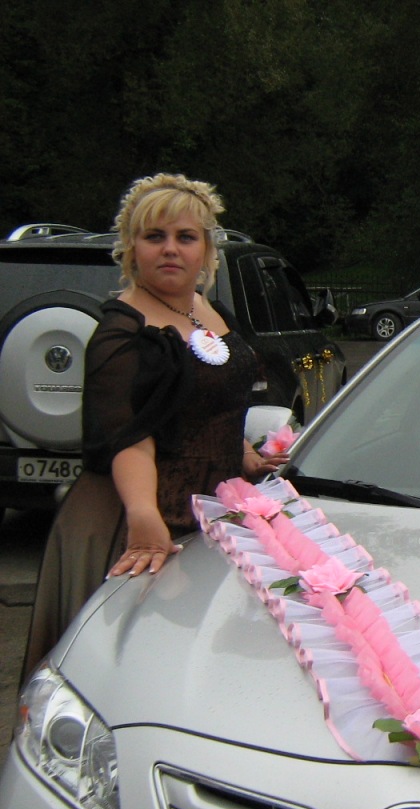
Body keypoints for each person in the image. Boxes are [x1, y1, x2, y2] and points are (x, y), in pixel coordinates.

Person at [24, 173, 287, 677]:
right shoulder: (122, 332)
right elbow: (129, 436)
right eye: (154, 236)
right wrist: (144, 516)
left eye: (185, 237)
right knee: (132, 669)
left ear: (205, 249)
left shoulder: (208, 309)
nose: (170, 249)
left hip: (209, 514)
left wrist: (244, 454)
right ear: (132, 247)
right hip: (141, 520)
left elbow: (215, 401)